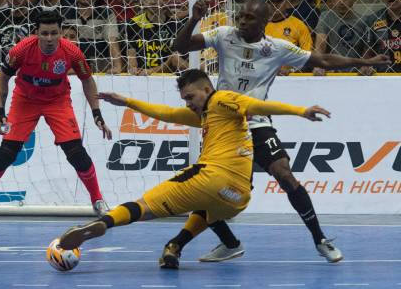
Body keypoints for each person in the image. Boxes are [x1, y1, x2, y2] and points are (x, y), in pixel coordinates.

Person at [171, 0, 390, 264]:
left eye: (249, 18)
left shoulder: (276, 48)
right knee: (209, 189)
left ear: (265, 22)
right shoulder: (223, 35)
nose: (241, 21)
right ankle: (229, 244)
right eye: (240, 16)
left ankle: (320, 240)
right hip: (223, 125)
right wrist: (194, 19)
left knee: (284, 174)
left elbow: (324, 59)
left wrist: (363, 60)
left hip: (258, 122)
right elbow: (180, 46)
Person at [56, 69, 331, 269]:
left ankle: (104, 223)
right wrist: (127, 101)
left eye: (190, 97)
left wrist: (300, 110)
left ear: (207, 90)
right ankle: (182, 245)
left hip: (211, 177)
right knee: (205, 208)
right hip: (236, 199)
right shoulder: (209, 115)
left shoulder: (222, 99)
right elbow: (166, 113)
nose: (188, 104)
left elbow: (257, 104)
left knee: (143, 206)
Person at [0, 11, 113, 218]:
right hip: (25, 100)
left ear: (61, 32)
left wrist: (96, 113)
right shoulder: (22, 49)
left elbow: (88, 81)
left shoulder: (72, 52)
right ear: (36, 33)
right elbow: (2, 78)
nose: (50, 38)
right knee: (7, 152)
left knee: (76, 152)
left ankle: (97, 200)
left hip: (58, 101)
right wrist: (0, 111)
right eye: (45, 33)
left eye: (54, 33)